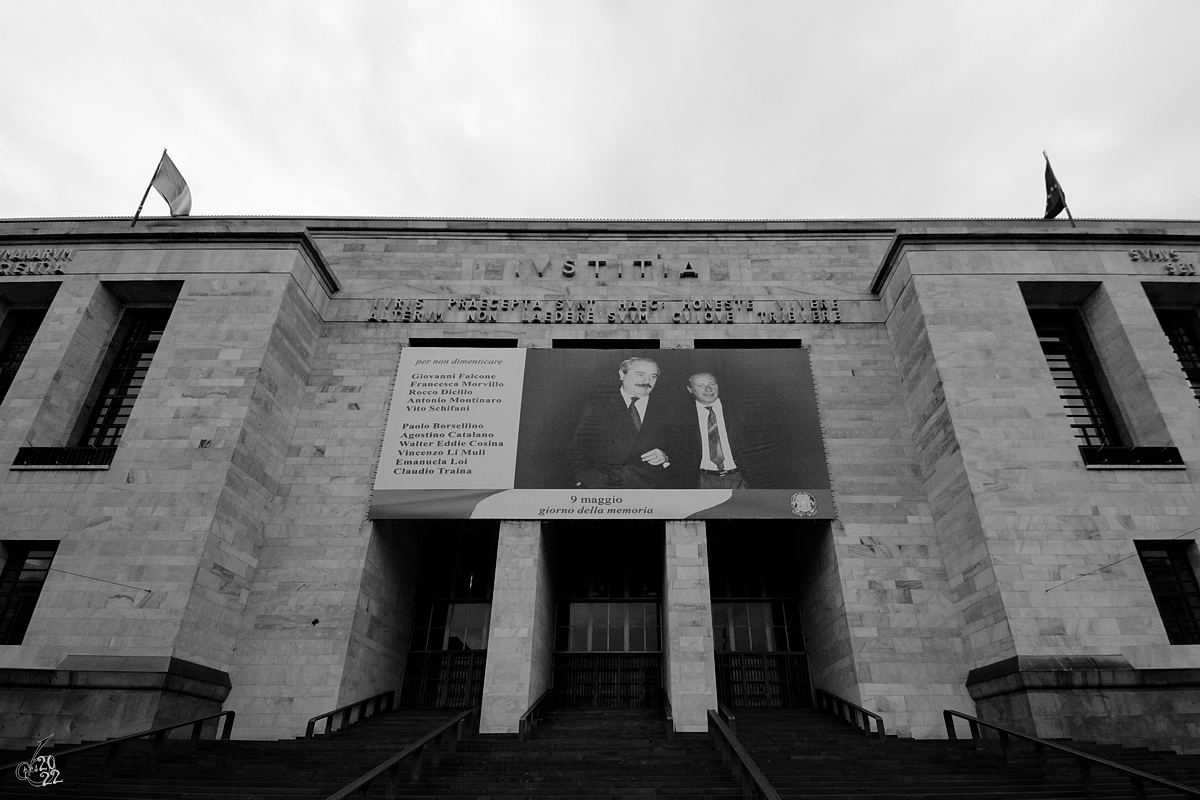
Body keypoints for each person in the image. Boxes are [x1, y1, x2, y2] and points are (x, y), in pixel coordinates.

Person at [567, 356, 675, 489]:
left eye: (653, 376)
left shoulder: (669, 407)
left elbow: (683, 446)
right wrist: (582, 477)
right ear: (622, 374)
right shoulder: (595, 404)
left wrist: (666, 457)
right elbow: (575, 444)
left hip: (650, 487)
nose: (647, 381)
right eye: (640, 374)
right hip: (603, 487)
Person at [677, 371, 751, 489]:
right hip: (703, 481)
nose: (708, 389)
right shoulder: (681, 416)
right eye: (700, 385)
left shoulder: (738, 411)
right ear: (690, 389)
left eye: (712, 384)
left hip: (739, 479)